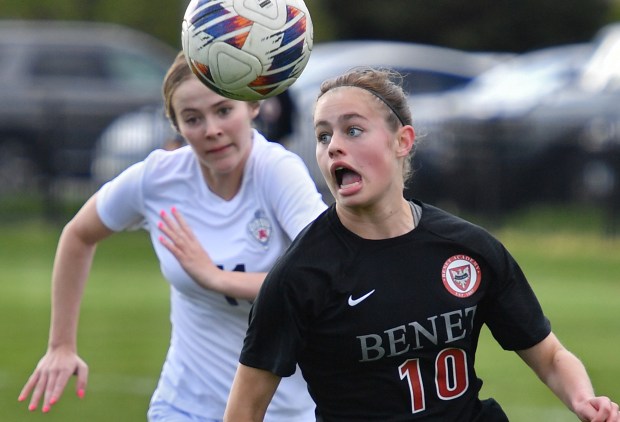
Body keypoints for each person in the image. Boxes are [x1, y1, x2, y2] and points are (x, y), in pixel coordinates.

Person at [223, 67, 619, 421]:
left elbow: (549, 355)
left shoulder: (468, 249)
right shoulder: (300, 275)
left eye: (353, 130)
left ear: (402, 141)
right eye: (323, 135)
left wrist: (583, 398)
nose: (334, 146)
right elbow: (244, 411)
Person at [18, 51, 326, 421]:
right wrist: (61, 345)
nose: (211, 129)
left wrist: (215, 277)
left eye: (223, 110)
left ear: (252, 107)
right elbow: (78, 235)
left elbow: (322, 276)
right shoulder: (158, 178)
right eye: (192, 118)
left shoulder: (277, 171)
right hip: (184, 406)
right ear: (177, 125)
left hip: (284, 412)